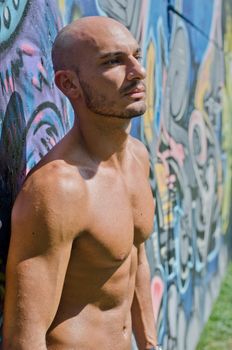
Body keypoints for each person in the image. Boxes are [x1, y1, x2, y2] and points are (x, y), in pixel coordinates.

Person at [3, 16, 161, 350]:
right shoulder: (57, 190)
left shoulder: (137, 158)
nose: (138, 72)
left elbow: (136, 259)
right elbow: (23, 338)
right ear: (70, 85)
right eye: (114, 61)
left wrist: (149, 343)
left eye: (135, 55)